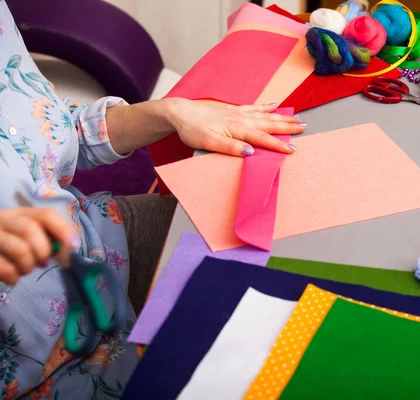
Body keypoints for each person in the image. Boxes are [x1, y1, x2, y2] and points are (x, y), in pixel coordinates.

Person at [0, 1, 306, 398]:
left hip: (101, 249)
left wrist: (171, 113)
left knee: (295, 247)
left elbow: (50, 130)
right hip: (47, 374)